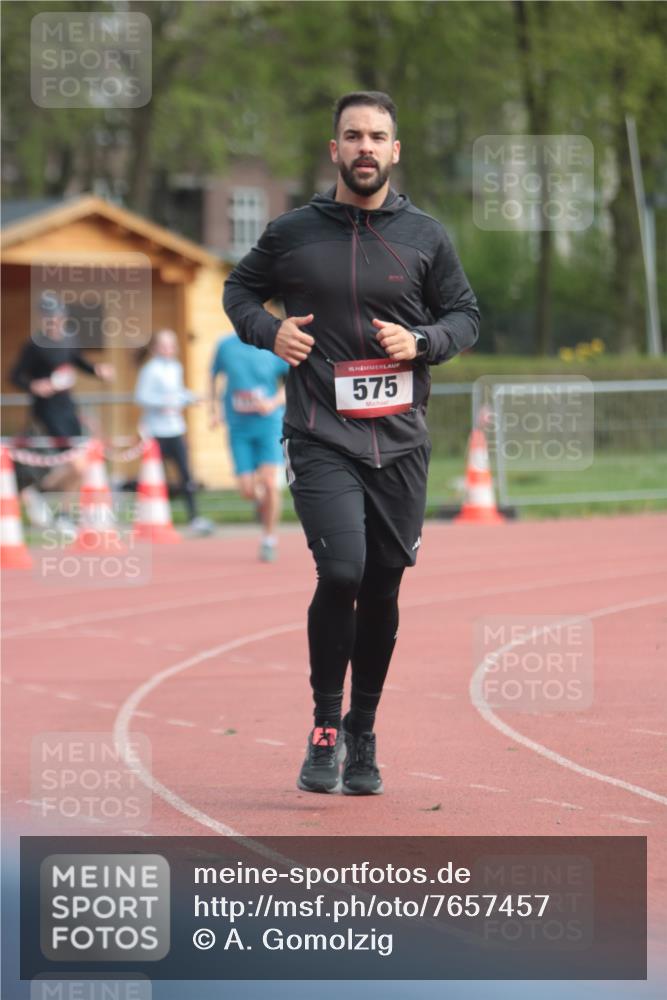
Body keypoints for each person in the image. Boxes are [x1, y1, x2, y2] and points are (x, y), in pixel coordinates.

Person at [223, 91, 480, 795]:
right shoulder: (291, 233)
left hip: (398, 443)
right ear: (333, 149)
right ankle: (324, 723)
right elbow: (238, 292)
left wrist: (423, 341)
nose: (364, 147)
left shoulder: (426, 237)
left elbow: (465, 315)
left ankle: (364, 730)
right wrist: (266, 330)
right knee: (340, 573)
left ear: (394, 151)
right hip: (320, 434)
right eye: (352, 136)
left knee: (383, 584)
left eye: (377, 137)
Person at [10, 291, 114, 526]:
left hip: (68, 408)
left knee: (80, 465)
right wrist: (34, 385)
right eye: (50, 317)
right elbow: (14, 376)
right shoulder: (34, 345)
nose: (55, 321)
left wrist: (97, 370)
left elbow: (77, 361)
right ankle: (40, 493)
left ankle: (61, 511)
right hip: (47, 412)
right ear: (43, 319)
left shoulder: (70, 338)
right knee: (75, 463)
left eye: (57, 316)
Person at [209, 332, 289, 562]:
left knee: (270, 483)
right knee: (247, 490)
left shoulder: (274, 345)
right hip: (238, 426)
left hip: (268, 424)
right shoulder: (225, 346)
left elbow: (293, 381)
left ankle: (269, 539)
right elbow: (213, 376)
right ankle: (259, 498)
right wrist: (214, 410)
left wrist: (273, 402)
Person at [134, 328, 213, 537]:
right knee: (155, 477)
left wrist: (191, 397)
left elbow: (178, 392)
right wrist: (164, 402)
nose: (169, 349)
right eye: (164, 345)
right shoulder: (149, 370)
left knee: (186, 474)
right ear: (155, 348)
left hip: (175, 429)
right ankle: (153, 518)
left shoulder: (175, 367)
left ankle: (194, 517)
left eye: (171, 345)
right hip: (155, 432)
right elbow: (141, 397)